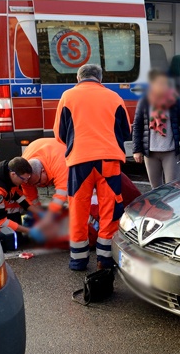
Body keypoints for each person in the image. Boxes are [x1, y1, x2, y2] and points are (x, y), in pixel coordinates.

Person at [54, 63, 131, 271]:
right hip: (108, 161)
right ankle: (105, 259)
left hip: (79, 161)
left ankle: (78, 260)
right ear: (100, 79)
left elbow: (60, 134)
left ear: (78, 79)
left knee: (78, 209)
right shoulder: (114, 97)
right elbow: (126, 132)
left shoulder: (67, 96)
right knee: (110, 209)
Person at [133, 70, 180, 189]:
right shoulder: (144, 101)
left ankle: (173, 208)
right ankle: (157, 208)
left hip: (171, 151)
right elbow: (137, 126)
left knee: (173, 188)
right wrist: (137, 150)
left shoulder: (176, 101)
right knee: (155, 189)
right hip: (150, 152)